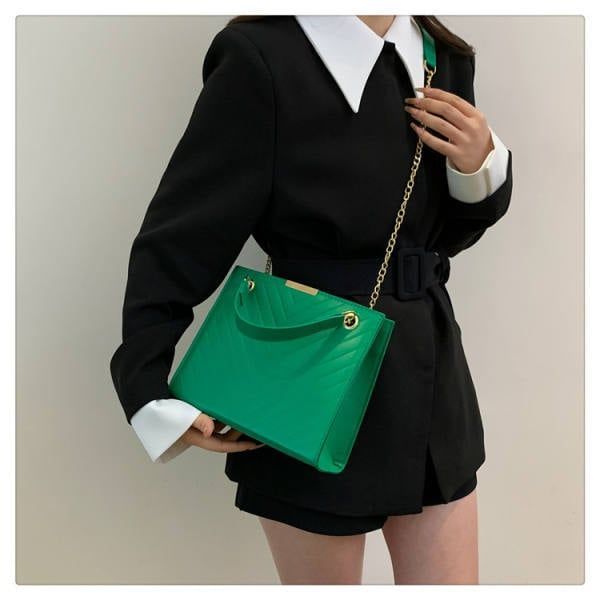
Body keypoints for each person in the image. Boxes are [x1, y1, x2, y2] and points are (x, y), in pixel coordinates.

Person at [109, 14, 513, 584]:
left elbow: (437, 238)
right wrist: (147, 385)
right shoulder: (261, 57)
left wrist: (481, 166)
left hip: (430, 378)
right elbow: (183, 236)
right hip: (308, 372)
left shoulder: (443, 57)